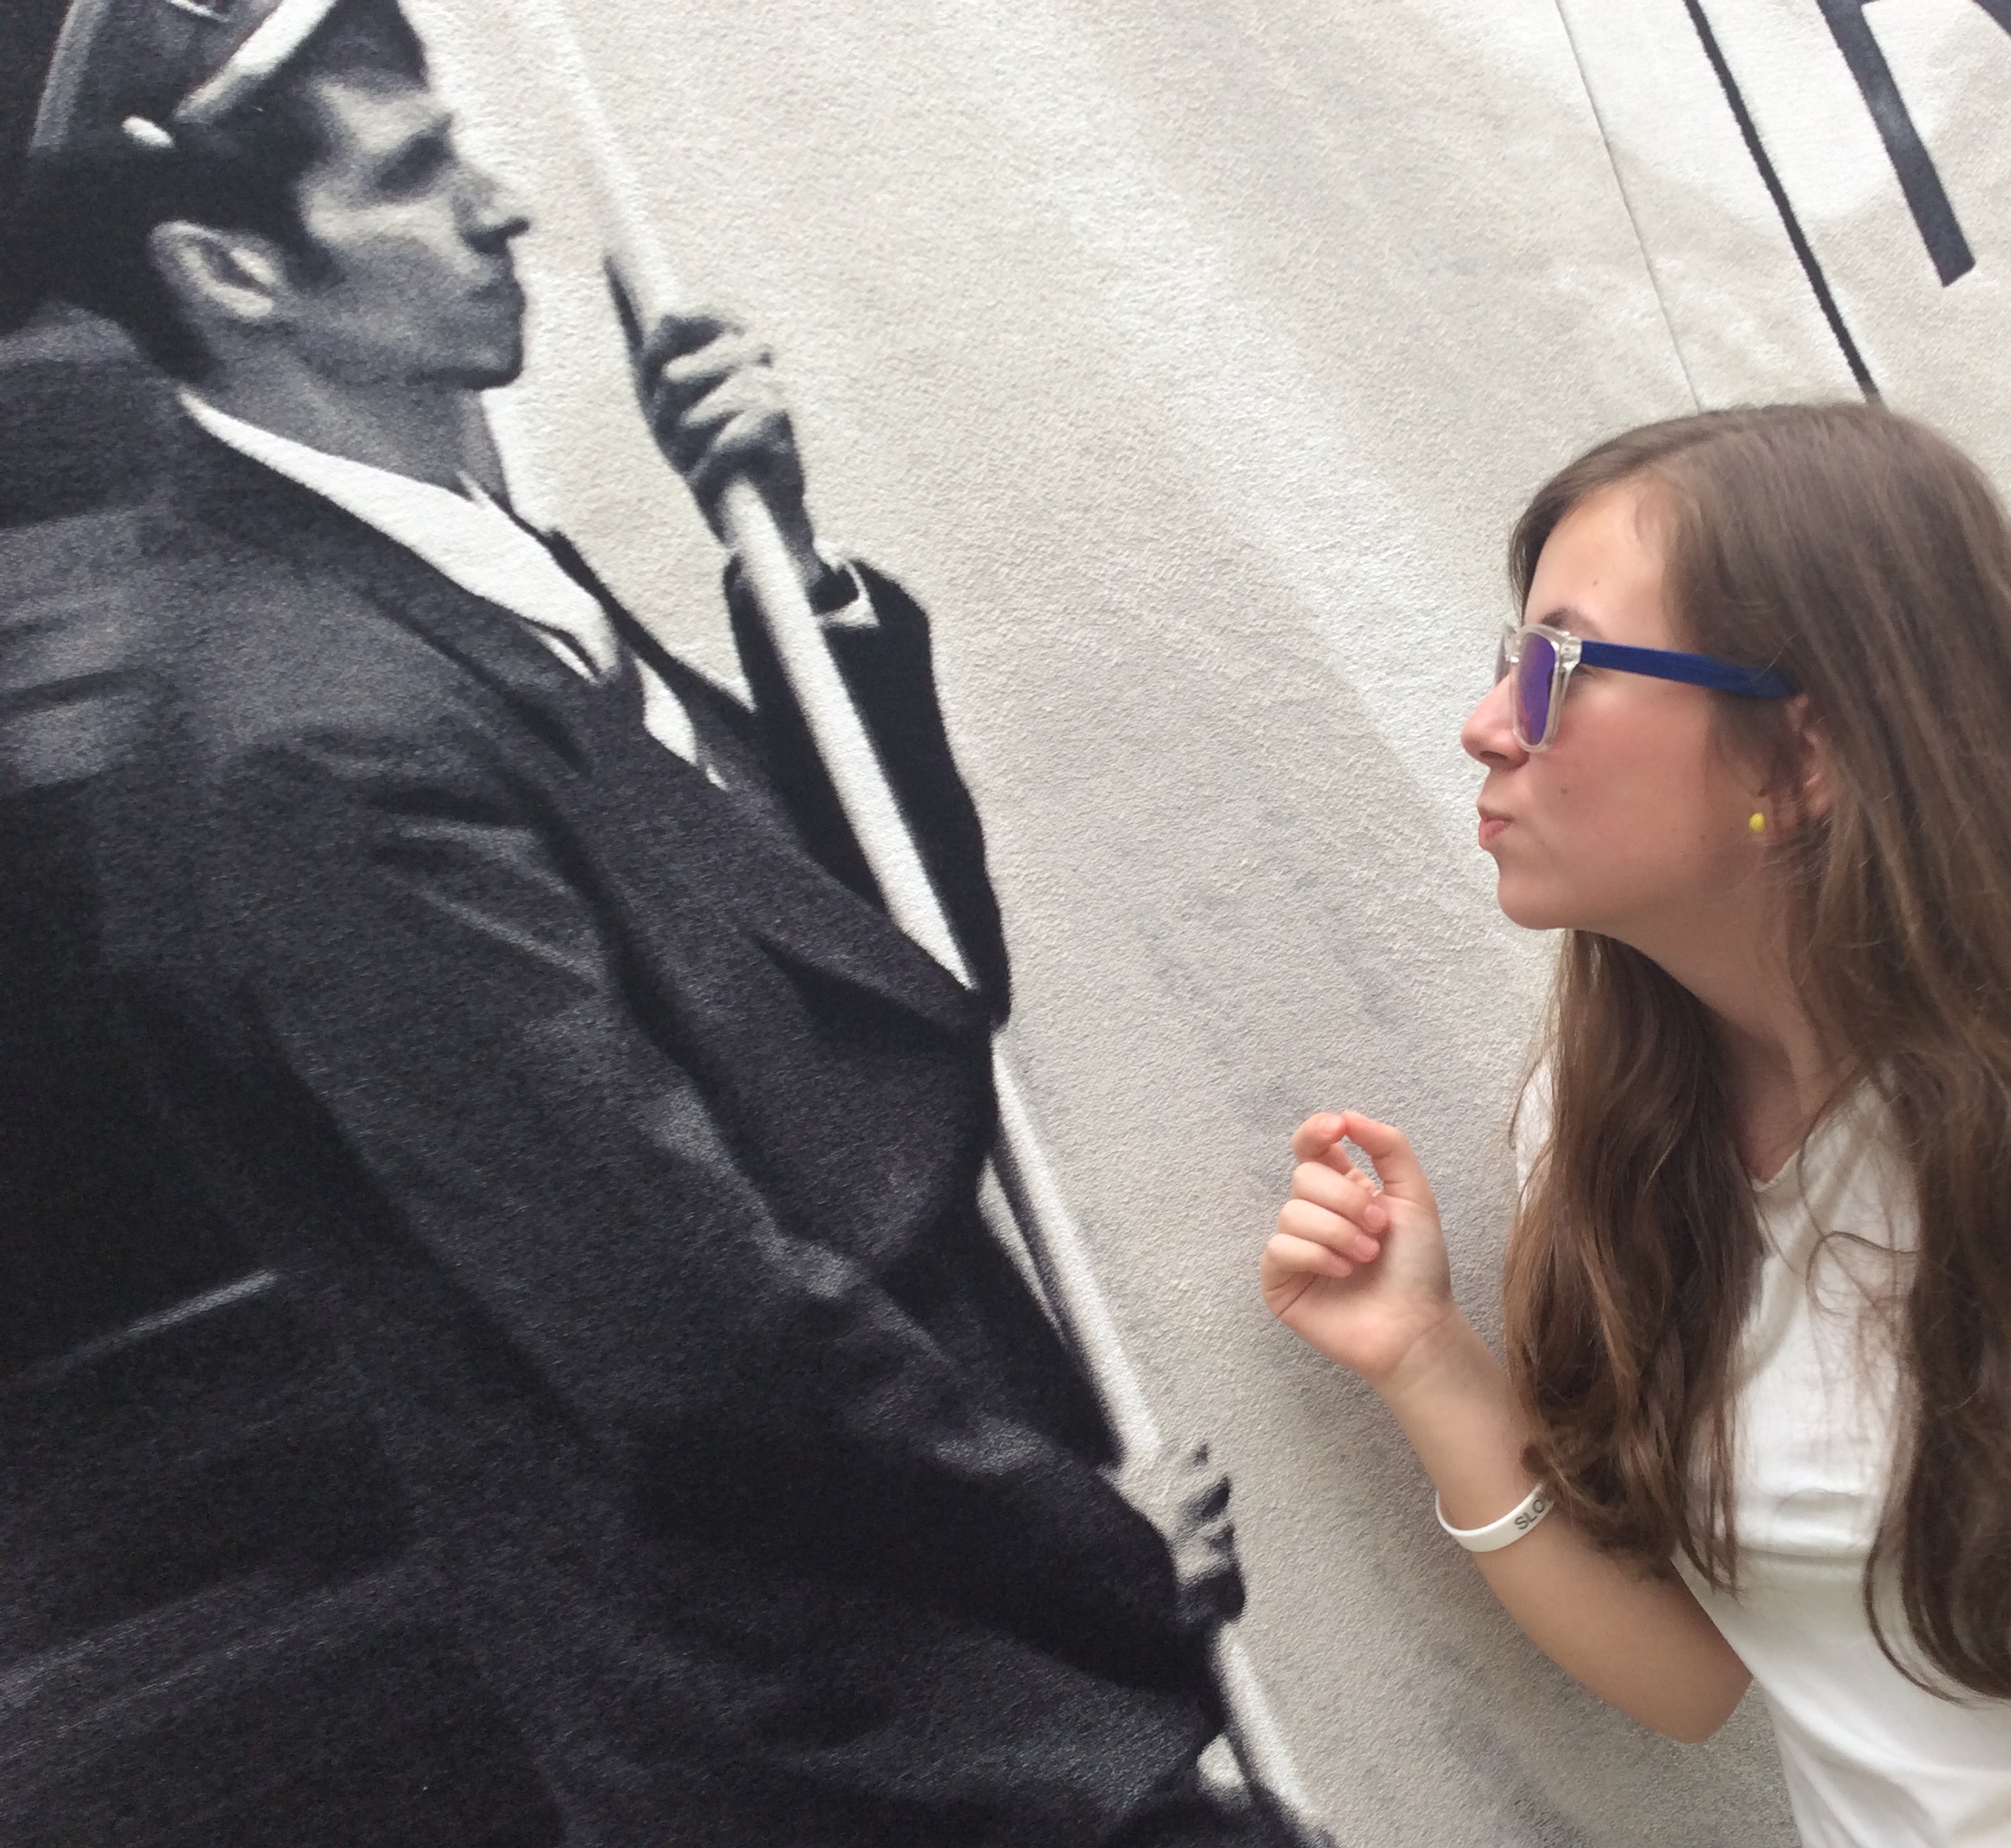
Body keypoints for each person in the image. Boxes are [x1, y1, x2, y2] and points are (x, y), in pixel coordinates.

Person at [5, 1, 1280, 1841]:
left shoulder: (444, 581)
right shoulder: (297, 741)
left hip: (962, 1674)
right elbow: (688, 1324)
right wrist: (1080, 1541)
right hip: (835, 1733)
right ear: (231, 271)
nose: (501, 204)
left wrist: (787, 564)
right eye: (414, 173)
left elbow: (887, 996)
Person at [1261, 405, 2011, 1847]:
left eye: (1559, 667)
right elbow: (1701, 1682)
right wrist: (1427, 1360)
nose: (1486, 723)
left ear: (1804, 753)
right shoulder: (1602, 1136)